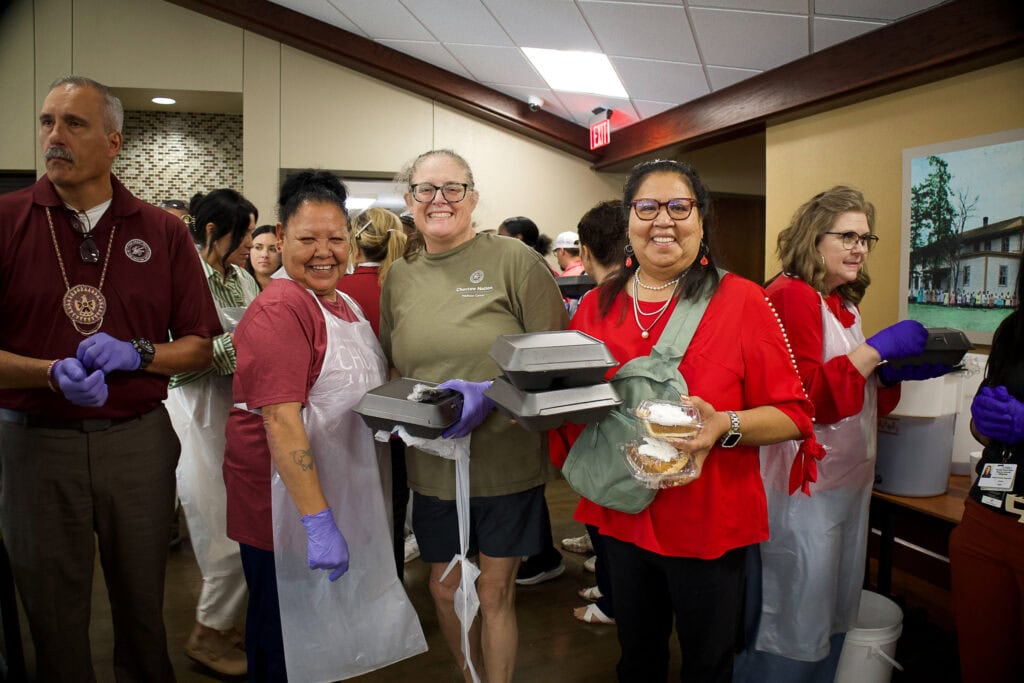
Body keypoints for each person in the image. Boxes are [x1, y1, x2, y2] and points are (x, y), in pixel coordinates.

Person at [548, 159, 820, 683]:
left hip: (708, 519)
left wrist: (724, 426)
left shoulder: (743, 301)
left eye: (679, 206)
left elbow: (793, 414)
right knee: (637, 658)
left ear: (701, 219)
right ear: (629, 220)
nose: (663, 221)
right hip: (620, 512)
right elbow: (576, 403)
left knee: (708, 663)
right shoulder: (595, 307)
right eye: (647, 207)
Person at [0, 75, 221, 681]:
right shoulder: (8, 220)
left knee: (143, 610)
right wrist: (48, 373)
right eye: (47, 121)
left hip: (136, 440)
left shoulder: (161, 230)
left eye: (74, 123)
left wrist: (139, 354)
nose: (55, 136)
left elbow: (201, 346)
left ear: (114, 141)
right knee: (52, 618)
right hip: (34, 445)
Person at [736, 186, 947, 682]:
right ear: (814, 239)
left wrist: (887, 376)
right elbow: (804, 399)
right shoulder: (791, 295)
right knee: (795, 612)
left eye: (865, 238)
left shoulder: (838, 303)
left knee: (830, 609)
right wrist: (874, 352)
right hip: (801, 491)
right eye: (846, 237)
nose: (859, 249)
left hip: (843, 484)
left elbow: (853, 393)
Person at [223, 170, 423, 681]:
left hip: (339, 489)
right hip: (286, 507)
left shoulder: (341, 301)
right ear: (281, 236)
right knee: (284, 638)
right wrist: (317, 522)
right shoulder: (281, 307)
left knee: (320, 638)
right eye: (307, 239)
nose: (323, 252)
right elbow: (280, 419)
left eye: (335, 239)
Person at [379, 149, 568, 683]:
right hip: (433, 464)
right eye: (426, 189)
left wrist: (492, 393)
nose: (439, 199)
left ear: (473, 197)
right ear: (410, 199)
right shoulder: (399, 277)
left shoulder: (514, 260)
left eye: (453, 188)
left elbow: (554, 359)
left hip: (505, 461)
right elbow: (395, 362)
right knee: (444, 589)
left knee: (493, 590)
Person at [165, 188, 260, 676]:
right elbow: (171, 357)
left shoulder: (240, 277)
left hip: (236, 410)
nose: (251, 245)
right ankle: (207, 635)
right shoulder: (183, 275)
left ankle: (222, 625)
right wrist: (243, 344)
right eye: (245, 234)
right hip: (195, 412)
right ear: (212, 231)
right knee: (223, 531)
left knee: (247, 523)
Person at [952, 270, 1024, 683]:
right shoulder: (1013, 330)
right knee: (983, 663)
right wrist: (983, 421)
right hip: (987, 517)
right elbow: (983, 430)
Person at [335, 207, 413, 579]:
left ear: (354, 241)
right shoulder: (407, 288)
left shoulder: (337, 290)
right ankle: (390, 581)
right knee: (393, 506)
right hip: (399, 414)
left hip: (343, 417)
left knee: (348, 506)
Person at [565, 199, 628, 626]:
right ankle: (611, 591)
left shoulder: (596, 301)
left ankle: (613, 601)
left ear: (585, 252)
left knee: (609, 522)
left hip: (605, 433)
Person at [247, 223, 281, 289]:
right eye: (258, 247)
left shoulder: (292, 288)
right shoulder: (235, 284)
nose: (265, 255)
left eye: (272, 249)